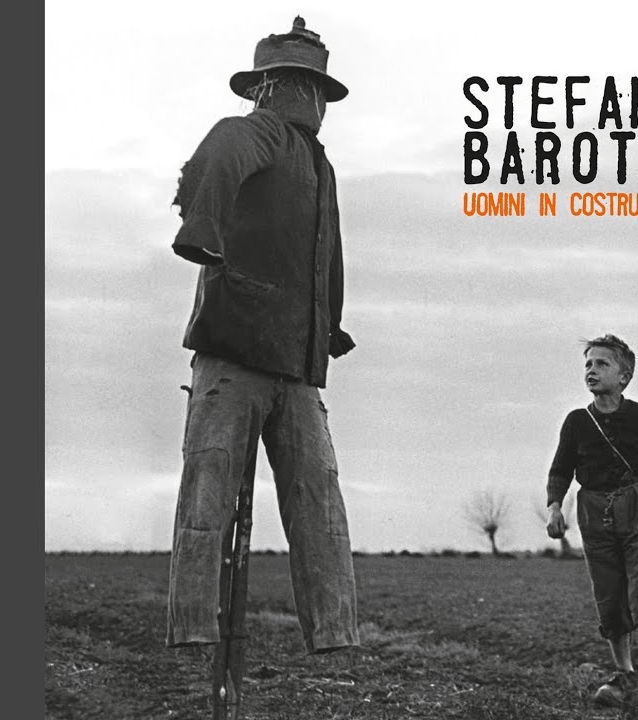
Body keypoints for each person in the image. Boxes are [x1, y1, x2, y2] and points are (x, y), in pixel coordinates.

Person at [165, 16, 359, 656]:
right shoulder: (258, 131)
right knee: (209, 489)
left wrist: (330, 326)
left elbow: (326, 255)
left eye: (317, 90)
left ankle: (333, 629)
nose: (312, 101)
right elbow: (217, 156)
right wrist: (201, 229)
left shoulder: (321, 167)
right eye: (302, 86)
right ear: (269, 87)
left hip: (299, 367)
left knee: (319, 499)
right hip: (234, 351)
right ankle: (194, 622)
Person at [545, 334, 638, 712]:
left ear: (625, 376)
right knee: (608, 596)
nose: (591, 370)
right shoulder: (576, 422)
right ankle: (625, 676)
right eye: (588, 364)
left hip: (637, 508)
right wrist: (555, 507)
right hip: (594, 513)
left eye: (602, 363)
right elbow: (560, 469)